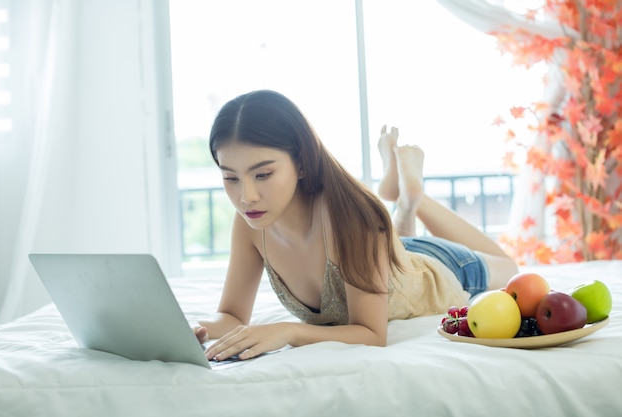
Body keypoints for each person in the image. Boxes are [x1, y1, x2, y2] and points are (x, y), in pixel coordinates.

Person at [194, 90, 518, 361]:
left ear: (303, 163)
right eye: (230, 178)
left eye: (263, 174)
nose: (246, 196)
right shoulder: (250, 224)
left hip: (439, 269)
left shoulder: (352, 218)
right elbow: (234, 317)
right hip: (387, 257)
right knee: (395, 245)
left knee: (510, 268)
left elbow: (372, 334)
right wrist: (195, 329)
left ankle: (412, 197)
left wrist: (288, 330)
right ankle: (403, 204)